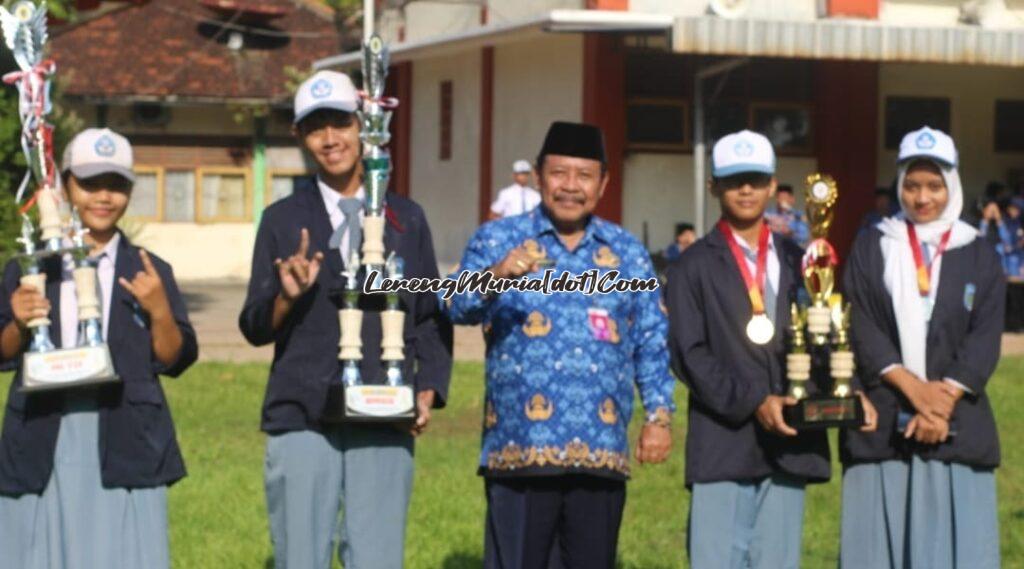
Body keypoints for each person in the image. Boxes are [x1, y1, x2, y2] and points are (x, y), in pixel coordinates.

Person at [237, 70, 452, 569]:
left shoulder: (406, 219)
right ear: (299, 137)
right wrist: (286, 299)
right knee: (301, 557)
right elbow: (253, 324)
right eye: (316, 128)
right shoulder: (282, 219)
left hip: (383, 410)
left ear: (365, 126)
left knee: (376, 557)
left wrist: (427, 389)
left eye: (341, 123)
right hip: (302, 415)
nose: (330, 139)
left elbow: (427, 315)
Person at [445, 121, 675, 569]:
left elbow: (650, 338)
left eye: (584, 176)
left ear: (604, 183)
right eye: (559, 173)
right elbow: (454, 305)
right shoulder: (499, 239)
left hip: (600, 449)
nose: (571, 187)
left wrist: (659, 417)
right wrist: (495, 275)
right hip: (521, 448)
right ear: (537, 176)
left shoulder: (626, 252)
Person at [0, 128, 198, 568]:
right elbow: (3, 351)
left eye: (116, 184)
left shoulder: (149, 269)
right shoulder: (30, 266)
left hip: (123, 431)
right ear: (66, 186)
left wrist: (160, 311)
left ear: (130, 189)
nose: (103, 197)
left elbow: (174, 359)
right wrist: (17, 320)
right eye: (89, 184)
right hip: (43, 430)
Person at [665, 130, 858, 569]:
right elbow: (688, 354)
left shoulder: (805, 259)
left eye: (755, 179)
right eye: (734, 180)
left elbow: (823, 336)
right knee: (717, 559)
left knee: (777, 561)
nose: (746, 189)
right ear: (714, 185)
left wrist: (839, 386)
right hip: (724, 440)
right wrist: (755, 401)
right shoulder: (692, 264)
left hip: (791, 437)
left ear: (773, 185)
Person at [840, 127, 1004, 569]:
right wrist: (914, 390)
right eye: (912, 185)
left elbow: (985, 335)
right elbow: (862, 323)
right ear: (899, 186)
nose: (922, 197)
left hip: (958, 423)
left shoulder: (979, 252)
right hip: (886, 417)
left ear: (952, 185)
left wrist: (943, 399)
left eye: (934, 186)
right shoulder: (873, 244)